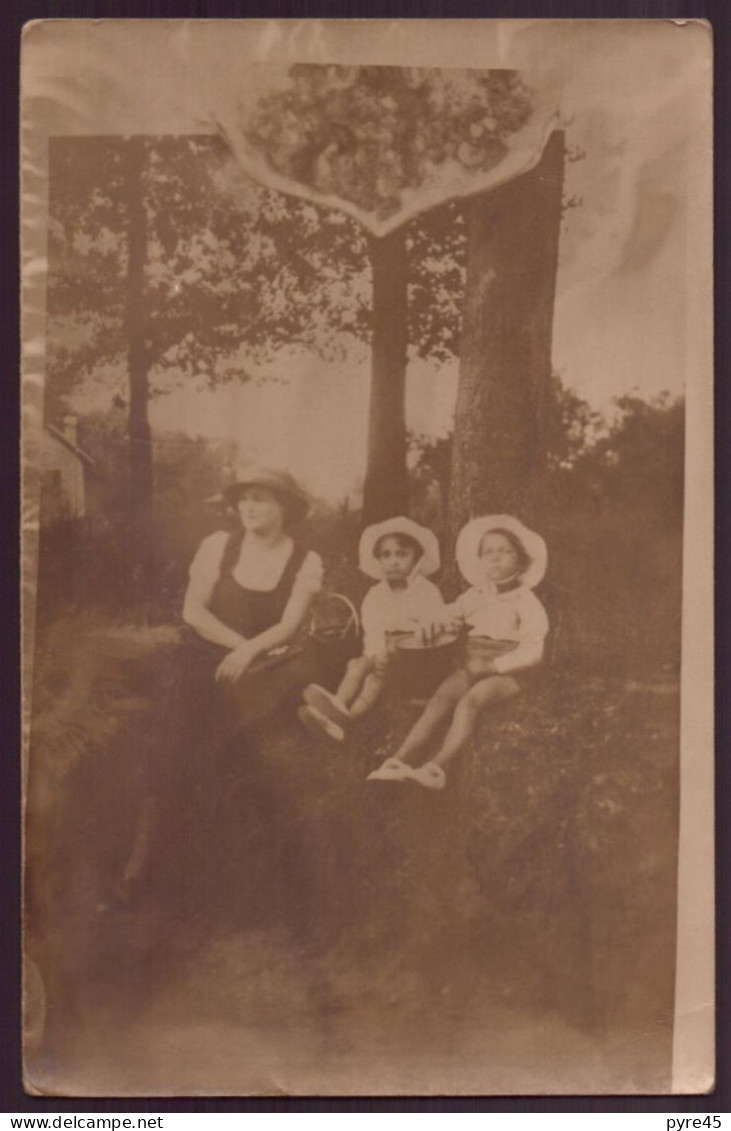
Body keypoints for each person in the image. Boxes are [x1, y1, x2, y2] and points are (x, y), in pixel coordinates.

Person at [114, 466, 323, 902]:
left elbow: (289, 625)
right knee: (175, 748)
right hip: (208, 658)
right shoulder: (219, 546)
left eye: (260, 498)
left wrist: (251, 653)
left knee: (251, 750)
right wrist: (237, 647)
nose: (248, 506)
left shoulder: (306, 559)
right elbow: (193, 612)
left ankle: (254, 886)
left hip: (266, 663)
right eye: (244, 498)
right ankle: (141, 866)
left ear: (284, 507)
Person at [367, 515, 549, 791]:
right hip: (472, 663)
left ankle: (436, 767)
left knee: (470, 701)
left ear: (521, 561)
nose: (496, 558)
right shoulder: (477, 595)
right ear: (480, 561)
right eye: (488, 552)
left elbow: (534, 649)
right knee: (441, 697)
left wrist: (494, 666)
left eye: (505, 551)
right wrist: (434, 623)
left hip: (509, 672)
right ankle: (397, 760)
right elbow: (447, 612)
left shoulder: (526, 601)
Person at [297, 516, 445, 743]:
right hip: (380, 653)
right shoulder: (375, 595)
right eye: (386, 555)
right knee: (359, 668)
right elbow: (373, 630)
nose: (394, 561)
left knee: (373, 681)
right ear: (379, 560)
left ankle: (341, 719)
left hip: (414, 659)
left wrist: (404, 647)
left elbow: (433, 624)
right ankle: (339, 707)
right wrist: (378, 655)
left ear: (416, 558)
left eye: (401, 554)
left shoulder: (427, 592)